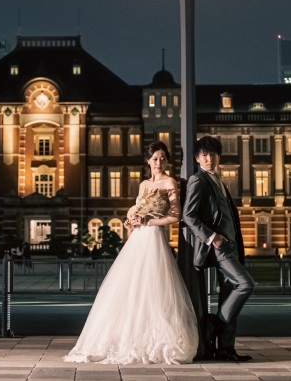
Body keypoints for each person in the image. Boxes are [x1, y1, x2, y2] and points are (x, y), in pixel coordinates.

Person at [64, 141, 197, 364]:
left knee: (154, 287)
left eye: (163, 158)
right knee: (130, 286)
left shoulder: (169, 182)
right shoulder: (143, 185)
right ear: (148, 160)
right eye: (155, 158)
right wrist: (132, 221)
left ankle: (155, 338)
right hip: (138, 238)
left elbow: (175, 216)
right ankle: (128, 337)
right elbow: (139, 210)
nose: (159, 162)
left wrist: (149, 220)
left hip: (154, 238)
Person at [183, 136, 254, 362]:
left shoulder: (220, 181)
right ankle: (216, 323)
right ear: (197, 158)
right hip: (219, 247)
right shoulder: (198, 180)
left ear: (218, 157)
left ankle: (225, 348)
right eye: (204, 154)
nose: (209, 158)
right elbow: (188, 216)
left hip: (231, 245)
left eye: (213, 154)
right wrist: (212, 237)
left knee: (227, 294)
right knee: (245, 284)